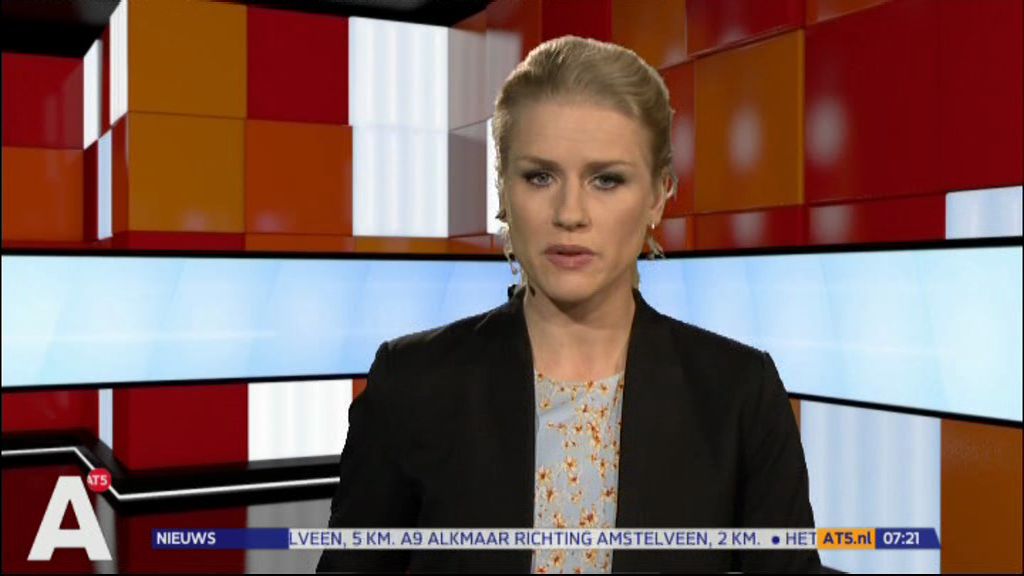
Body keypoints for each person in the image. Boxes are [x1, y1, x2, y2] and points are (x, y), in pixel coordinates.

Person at [318, 35, 821, 574]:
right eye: (540, 176)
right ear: (504, 192)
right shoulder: (411, 384)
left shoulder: (739, 393)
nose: (570, 213)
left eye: (606, 180)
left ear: (658, 196)